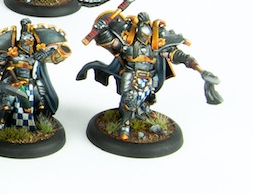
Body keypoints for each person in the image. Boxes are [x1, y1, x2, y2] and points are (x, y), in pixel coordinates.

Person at [77, 11, 223, 140]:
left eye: (147, 36)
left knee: (148, 97)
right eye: (142, 35)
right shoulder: (128, 41)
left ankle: (143, 111)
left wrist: (196, 66)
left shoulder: (156, 44)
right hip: (131, 73)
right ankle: (125, 124)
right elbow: (110, 42)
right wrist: (102, 29)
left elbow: (176, 55)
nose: (145, 38)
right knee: (129, 99)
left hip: (150, 76)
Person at [0, 20, 71, 135]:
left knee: (40, 97)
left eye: (30, 41)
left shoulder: (36, 52)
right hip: (12, 82)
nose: (28, 43)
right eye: (26, 40)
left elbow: (54, 57)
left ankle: (40, 117)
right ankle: (1, 123)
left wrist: (54, 51)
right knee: (6, 102)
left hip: (29, 82)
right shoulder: (11, 51)